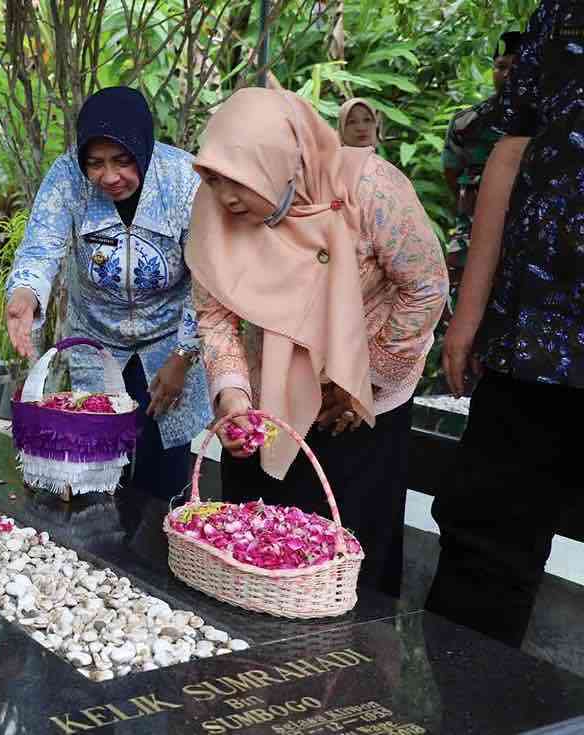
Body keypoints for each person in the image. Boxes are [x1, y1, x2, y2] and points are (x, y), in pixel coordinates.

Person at [186, 88, 448, 597]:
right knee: (252, 556)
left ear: (280, 162)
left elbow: (425, 287)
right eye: (213, 181)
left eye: (237, 182)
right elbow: (214, 313)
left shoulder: (368, 191)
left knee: (349, 566)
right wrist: (234, 398)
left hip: (359, 411)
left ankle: (349, 675)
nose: (224, 199)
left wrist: (363, 380)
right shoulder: (217, 209)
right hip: (269, 409)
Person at [425, 0, 584, 648]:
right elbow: (512, 148)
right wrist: (467, 317)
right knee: (481, 551)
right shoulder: (563, 13)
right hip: (536, 338)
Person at [5, 86, 212, 501]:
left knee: (164, 465)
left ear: (143, 149)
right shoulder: (66, 179)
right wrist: (25, 293)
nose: (109, 176)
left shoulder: (184, 180)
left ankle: (155, 552)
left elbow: (206, 280)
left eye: (122, 160)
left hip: (172, 337)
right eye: (95, 164)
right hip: (97, 337)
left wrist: (182, 357)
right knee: (95, 464)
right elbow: (41, 245)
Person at [441, 31, 522, 290]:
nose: (508, 73)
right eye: (501, 66)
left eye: (517, 66)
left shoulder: (549, 121)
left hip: (526, 236)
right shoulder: (468, 122)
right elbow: (452, 175)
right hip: (472, 236)